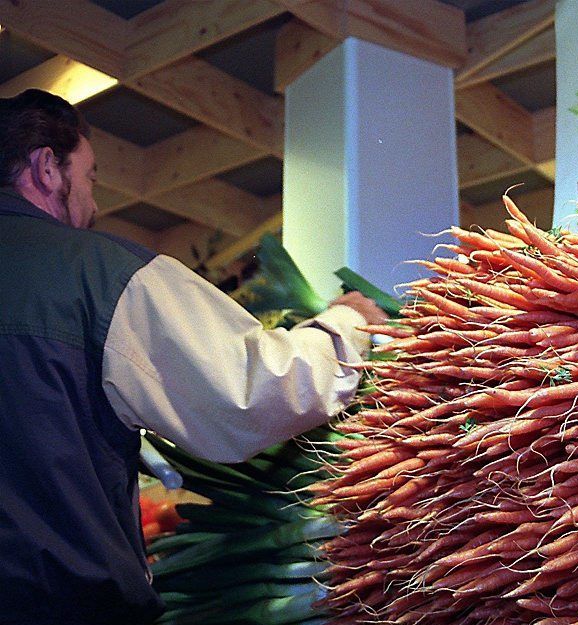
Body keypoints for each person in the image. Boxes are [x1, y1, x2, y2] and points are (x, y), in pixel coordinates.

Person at [0, 89, 387, 624]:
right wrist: (348, 323)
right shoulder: (98, 275)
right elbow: (248, 391)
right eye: (88, 177)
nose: (93, 204)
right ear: (47, 167)